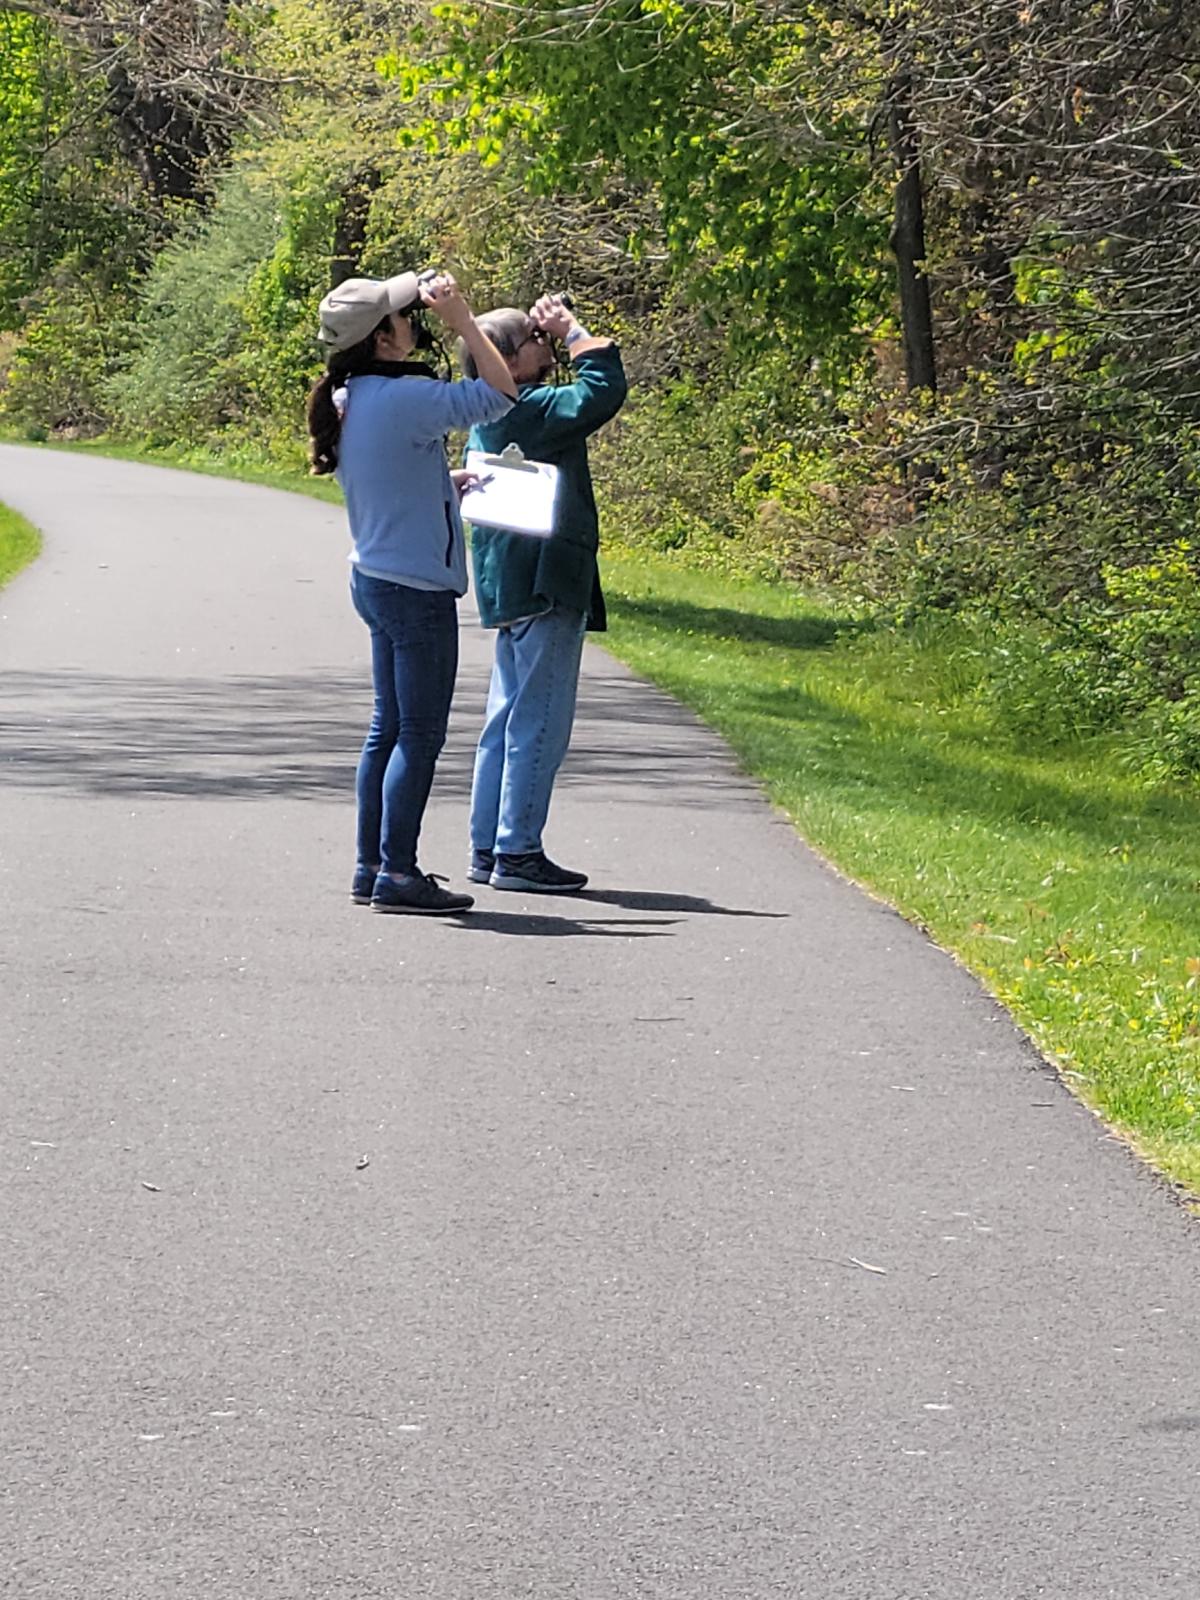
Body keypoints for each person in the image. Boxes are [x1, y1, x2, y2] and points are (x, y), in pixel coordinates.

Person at [308, 270, 517, 915]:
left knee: (388, 729)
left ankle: (372, 866)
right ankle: (400, 874)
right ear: (382, 338)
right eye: (405, 315)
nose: (415, 322)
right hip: (415, 590)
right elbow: (501, 393)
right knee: (420, 736)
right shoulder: (410, 396)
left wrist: (438, 486)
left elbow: (386, 478)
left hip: (374, 577)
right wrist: (464, 320)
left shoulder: (353, 396)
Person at [459, 293, 627, 893]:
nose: (545, 344)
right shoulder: (527, 410)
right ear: (504, 358)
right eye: (533, 339)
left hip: (509, 584)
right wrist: (576, 329)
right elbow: (600, 392)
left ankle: (488, 844)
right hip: (544, 581)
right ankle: (518, 852)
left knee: (505, 717)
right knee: (540, 719)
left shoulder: (484, 413)